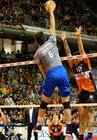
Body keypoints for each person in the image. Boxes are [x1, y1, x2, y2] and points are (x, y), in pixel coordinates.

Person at [34, 0, 72, 136]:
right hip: (62, 71)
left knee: (44, 102)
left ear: (36, 42)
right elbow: (52, 25)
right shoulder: (52, 40)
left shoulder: (37, 53)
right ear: (44, 38)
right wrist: (51, 12)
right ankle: (69, 128)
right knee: (66, 103)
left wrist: (46, 78)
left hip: (51, 73)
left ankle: (39, 125)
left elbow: (41, 69)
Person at [61, 26, 97, 140]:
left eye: (77, 58)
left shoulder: (85, 62)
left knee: (90, 112)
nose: (75, 59)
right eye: (74, 58)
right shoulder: (73, 66)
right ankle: (81, 136)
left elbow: (81, 50)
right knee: (82, 116)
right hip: (81, 93)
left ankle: (90, 136)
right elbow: (68, 53)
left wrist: (78, 37)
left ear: (80, 59)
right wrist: (64, 40)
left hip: (91, 90)